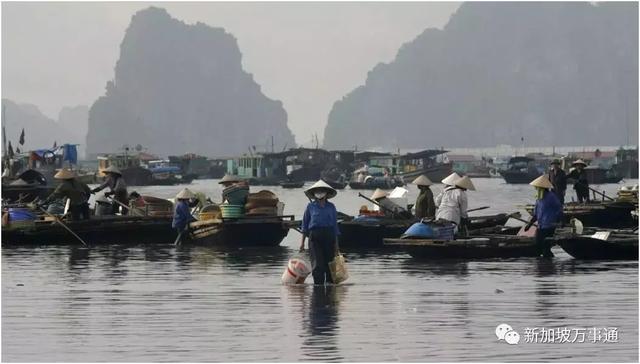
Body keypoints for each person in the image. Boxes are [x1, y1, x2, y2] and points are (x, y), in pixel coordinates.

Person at [299, 180, 340, 285]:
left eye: (322, 191)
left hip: (329, 236)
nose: (320, 193)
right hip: (315, 237)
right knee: (317, 264)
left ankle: (330, 286)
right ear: (314, 194)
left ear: (326, 193)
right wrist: (302, 243)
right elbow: (304, 225)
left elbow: (335, 226)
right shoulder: (310, 207)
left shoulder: (331, 207)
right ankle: (318, 286)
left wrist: (336, 245)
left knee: (330, 263)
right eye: (317, 191)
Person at [525, 175, 563, 258]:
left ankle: (549, 266)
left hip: (549, 225)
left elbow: (559, 209)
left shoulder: (551, 197)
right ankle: (543, 266)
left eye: (537, 187)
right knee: (538, 245)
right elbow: (536, 213)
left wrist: (559, 221)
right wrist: (529, 224)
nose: (536, 189)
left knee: (546, 247)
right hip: (541, 226)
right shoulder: (539, 199)